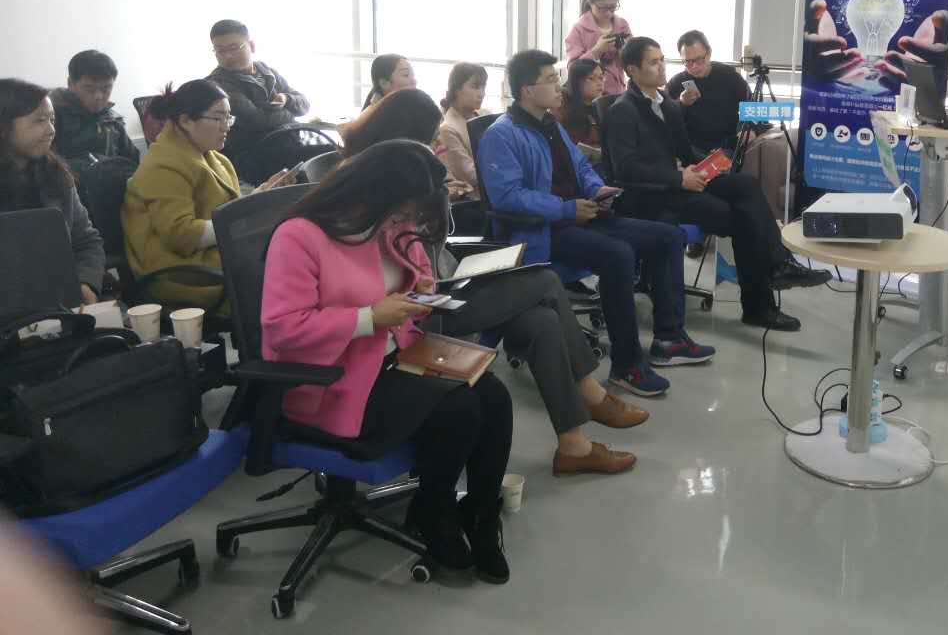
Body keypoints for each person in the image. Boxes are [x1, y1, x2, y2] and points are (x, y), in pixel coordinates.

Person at [342, 88, 646, 475]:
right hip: (413, 307)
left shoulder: (402, 172)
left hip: (439, 283)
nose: (435, 146)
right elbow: (394, 263)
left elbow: (430, 248)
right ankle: (590, 392)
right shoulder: (372, 186)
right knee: (544, 280)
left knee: (541, 321)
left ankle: (574, 446)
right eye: (430, 138)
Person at [261, 139, 512, 582]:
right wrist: (369, 317)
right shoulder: (300, 236)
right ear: (372, 193)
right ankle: (433, 511)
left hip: (394, 356)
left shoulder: (392, 225)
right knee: (459, 408)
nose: (404, 225)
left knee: (493, 394)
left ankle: (481, 512)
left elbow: (417, 271)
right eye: (401, 215)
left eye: (410, 218)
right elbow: (283, 328)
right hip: (330, 379)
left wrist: (425, 292)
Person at [477, 50, 716, 398]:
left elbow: (582, 167)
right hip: (540, 231)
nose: (559, 85)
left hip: (580, 215)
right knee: (618, 254)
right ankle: (627, 366)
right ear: (527, 90)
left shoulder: (550, 124)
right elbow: (508, 197)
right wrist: (565, 209)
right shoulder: (502, 135)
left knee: (668, 237)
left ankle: (669, 339)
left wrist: (597, 189)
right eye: (550, 79)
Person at [603, 38, 831, 333]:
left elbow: (684, 151)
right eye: (654, 62)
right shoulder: (623, 110)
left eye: (662, 59)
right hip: (653, 194)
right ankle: (760, 303)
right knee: (742, 218)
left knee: (746, 185)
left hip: (681, 179)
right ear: (632, 70)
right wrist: (679, 178)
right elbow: (625, 167)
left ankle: (777, 266)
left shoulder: (666, 103)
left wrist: (706, 166)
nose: (662, 67)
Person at [122, 80, 289, 312]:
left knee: (287, 253)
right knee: (280, 267)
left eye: (228, 118)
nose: (226, 126)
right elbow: (182, 235)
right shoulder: (163, 165)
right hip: (182, 272)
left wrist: (260, 196)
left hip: (213, 257)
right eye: (218, 118)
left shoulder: (212, 156)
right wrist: (242, 221)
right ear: (185, 121)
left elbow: (227, 209)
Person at [0, 79, 104, 305]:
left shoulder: (56, 175)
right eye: (39, 121)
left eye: (52, 120)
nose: (51, 130)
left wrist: (86, 283)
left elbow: (86, 241)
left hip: (60, 304)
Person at [206, 19, 310, 175]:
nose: (228, 56)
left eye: (234, 48)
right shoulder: (217, 85)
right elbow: (258, 120)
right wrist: (291, 114)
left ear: (252, 46)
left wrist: (286, 99)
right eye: (220, 50)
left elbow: (304, 105)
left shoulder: (267, 72)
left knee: (335, 154)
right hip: (252, 156)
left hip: (286, 145)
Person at [665, 30, 751, 159]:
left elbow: (753, 105)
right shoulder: (677, 82)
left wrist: (752, 130)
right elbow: (664, 120)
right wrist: (681, 104)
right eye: (688, 62)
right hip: (691, 148)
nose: (694, 67)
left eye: (699, 60)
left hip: (726, 146)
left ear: (709, 53)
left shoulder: (729, 76)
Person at [49, 50, 140, 171]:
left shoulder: (113, 120)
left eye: (106, 88)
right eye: (89, 89)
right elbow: (46, 165)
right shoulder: (52, 119)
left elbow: (133, 161)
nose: (99, 96)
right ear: (70, 84)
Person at [565, 0, 633, 95]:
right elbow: (572, 70)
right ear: (589, 2)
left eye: (612, 8)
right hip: (590, 97)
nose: (608, 13)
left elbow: (632, 62)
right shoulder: (578, 30)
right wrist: (596, 51)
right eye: (602, 8)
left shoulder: (622, 25)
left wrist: (625, 51)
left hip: (618, 91)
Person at [437, 63, 490, 191]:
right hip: (478, 195)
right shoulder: (448, 129)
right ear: (456, 89)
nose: (481, 93)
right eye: (475, 87)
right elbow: (470, 175)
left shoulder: (486, 114)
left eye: (483, 87)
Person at [557, 58, 605, 164]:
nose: (599, 83)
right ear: (576, 81)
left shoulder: (603, 105)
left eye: (601, 78)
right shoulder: (562, 106)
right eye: (591, 78)